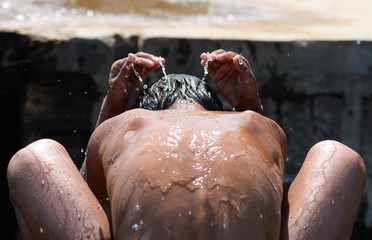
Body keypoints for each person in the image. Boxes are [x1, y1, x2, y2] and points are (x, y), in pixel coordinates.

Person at [7, 50, 366, 240]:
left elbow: (87, 203)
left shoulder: (125, 125)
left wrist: (110, 113)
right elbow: (272, 199)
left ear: (148, 109)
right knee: (339, 155)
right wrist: (250, 105)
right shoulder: (254, 125)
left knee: (33, 157)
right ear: (216, 110)